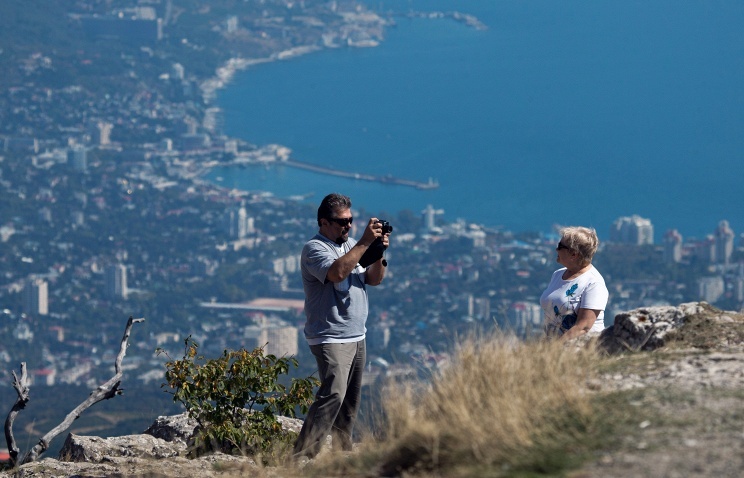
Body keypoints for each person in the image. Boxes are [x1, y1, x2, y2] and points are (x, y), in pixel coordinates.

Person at [293, 193, 390, 458]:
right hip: (330, 336)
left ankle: (340, 454)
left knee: (350, 402)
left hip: (357, 335)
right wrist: (364, 242)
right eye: (341, 222)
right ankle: (302, 457)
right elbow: (336, 273)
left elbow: (373, 279)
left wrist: (379, 253)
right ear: (323, 222)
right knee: (333, 394)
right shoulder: (314, 249)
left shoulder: (351, 247)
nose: (347, 226)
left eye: (350, 221)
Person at [539, 226, 609, 340]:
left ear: (573, 254)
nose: (556, 249)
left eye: (560, 246)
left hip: (581, 350)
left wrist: (556, 348)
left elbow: (584, 327)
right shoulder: (557, 275)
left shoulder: (594, 283)